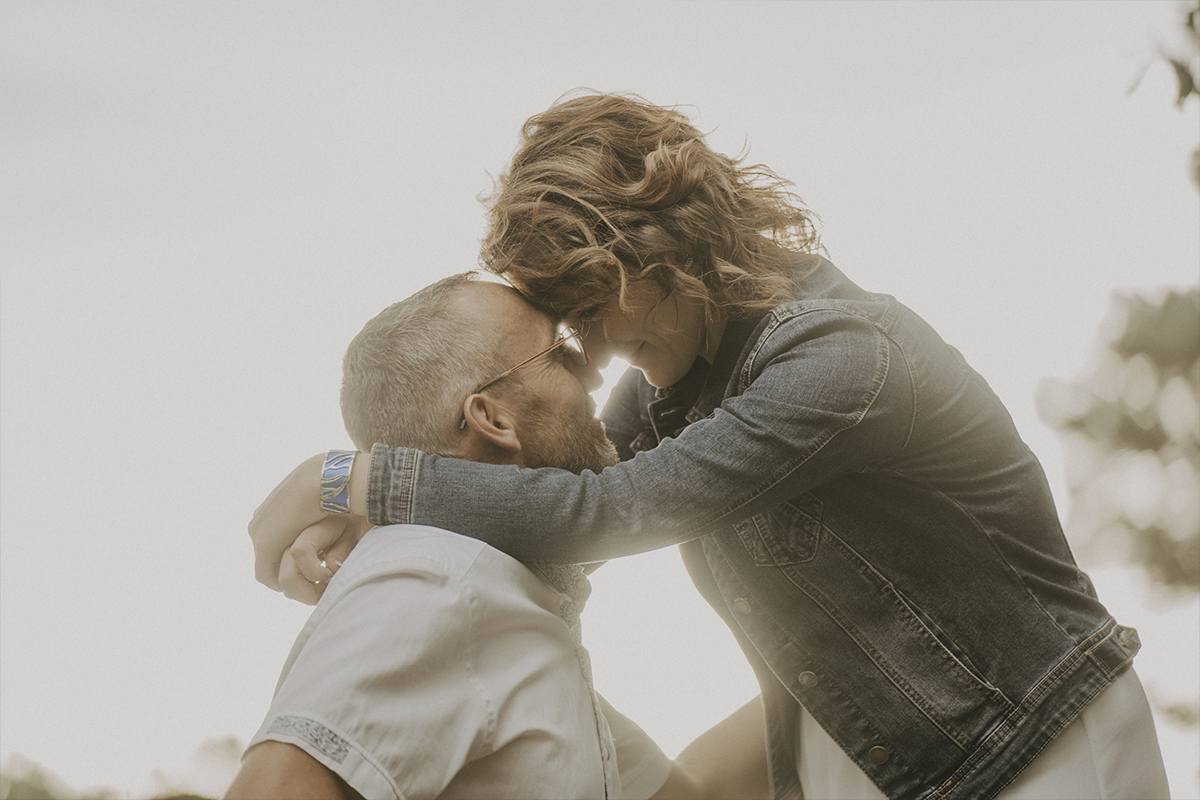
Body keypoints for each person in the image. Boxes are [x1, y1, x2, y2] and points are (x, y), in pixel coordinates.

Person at [248, 94, 1170, 799]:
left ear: (657, 246)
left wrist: (349, 478)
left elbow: (605, 510)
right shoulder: (673, 384)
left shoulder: (843, 360)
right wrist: (383, 536)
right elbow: (537, 475)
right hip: (886, 756)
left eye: (592, 312)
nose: (598, 355)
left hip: (1038, 749)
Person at [227, 274, 769, 800]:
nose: (594, 376)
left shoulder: (506, 629)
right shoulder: (435, 577)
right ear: (491, 417)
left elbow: (699, 792)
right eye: (559, 353)